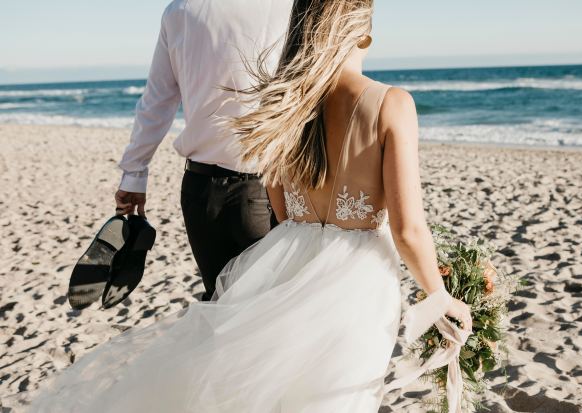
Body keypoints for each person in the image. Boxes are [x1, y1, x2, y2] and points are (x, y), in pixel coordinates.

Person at [28, 1, 473, 411]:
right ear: (365, 35)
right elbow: (408, 230)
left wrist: (135, 173)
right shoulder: (391, 103)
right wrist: (440, 297)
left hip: (265, 239)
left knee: (255, 365)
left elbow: (275, 198)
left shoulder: (281, 102)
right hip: (357, 278)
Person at [114, 0, 294, 300]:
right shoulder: (290, 6)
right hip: (268, 187)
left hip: (200, 191)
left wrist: (134, 175)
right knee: (269, 311)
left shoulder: (179, 11)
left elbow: (157, 102)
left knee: (219, 305)